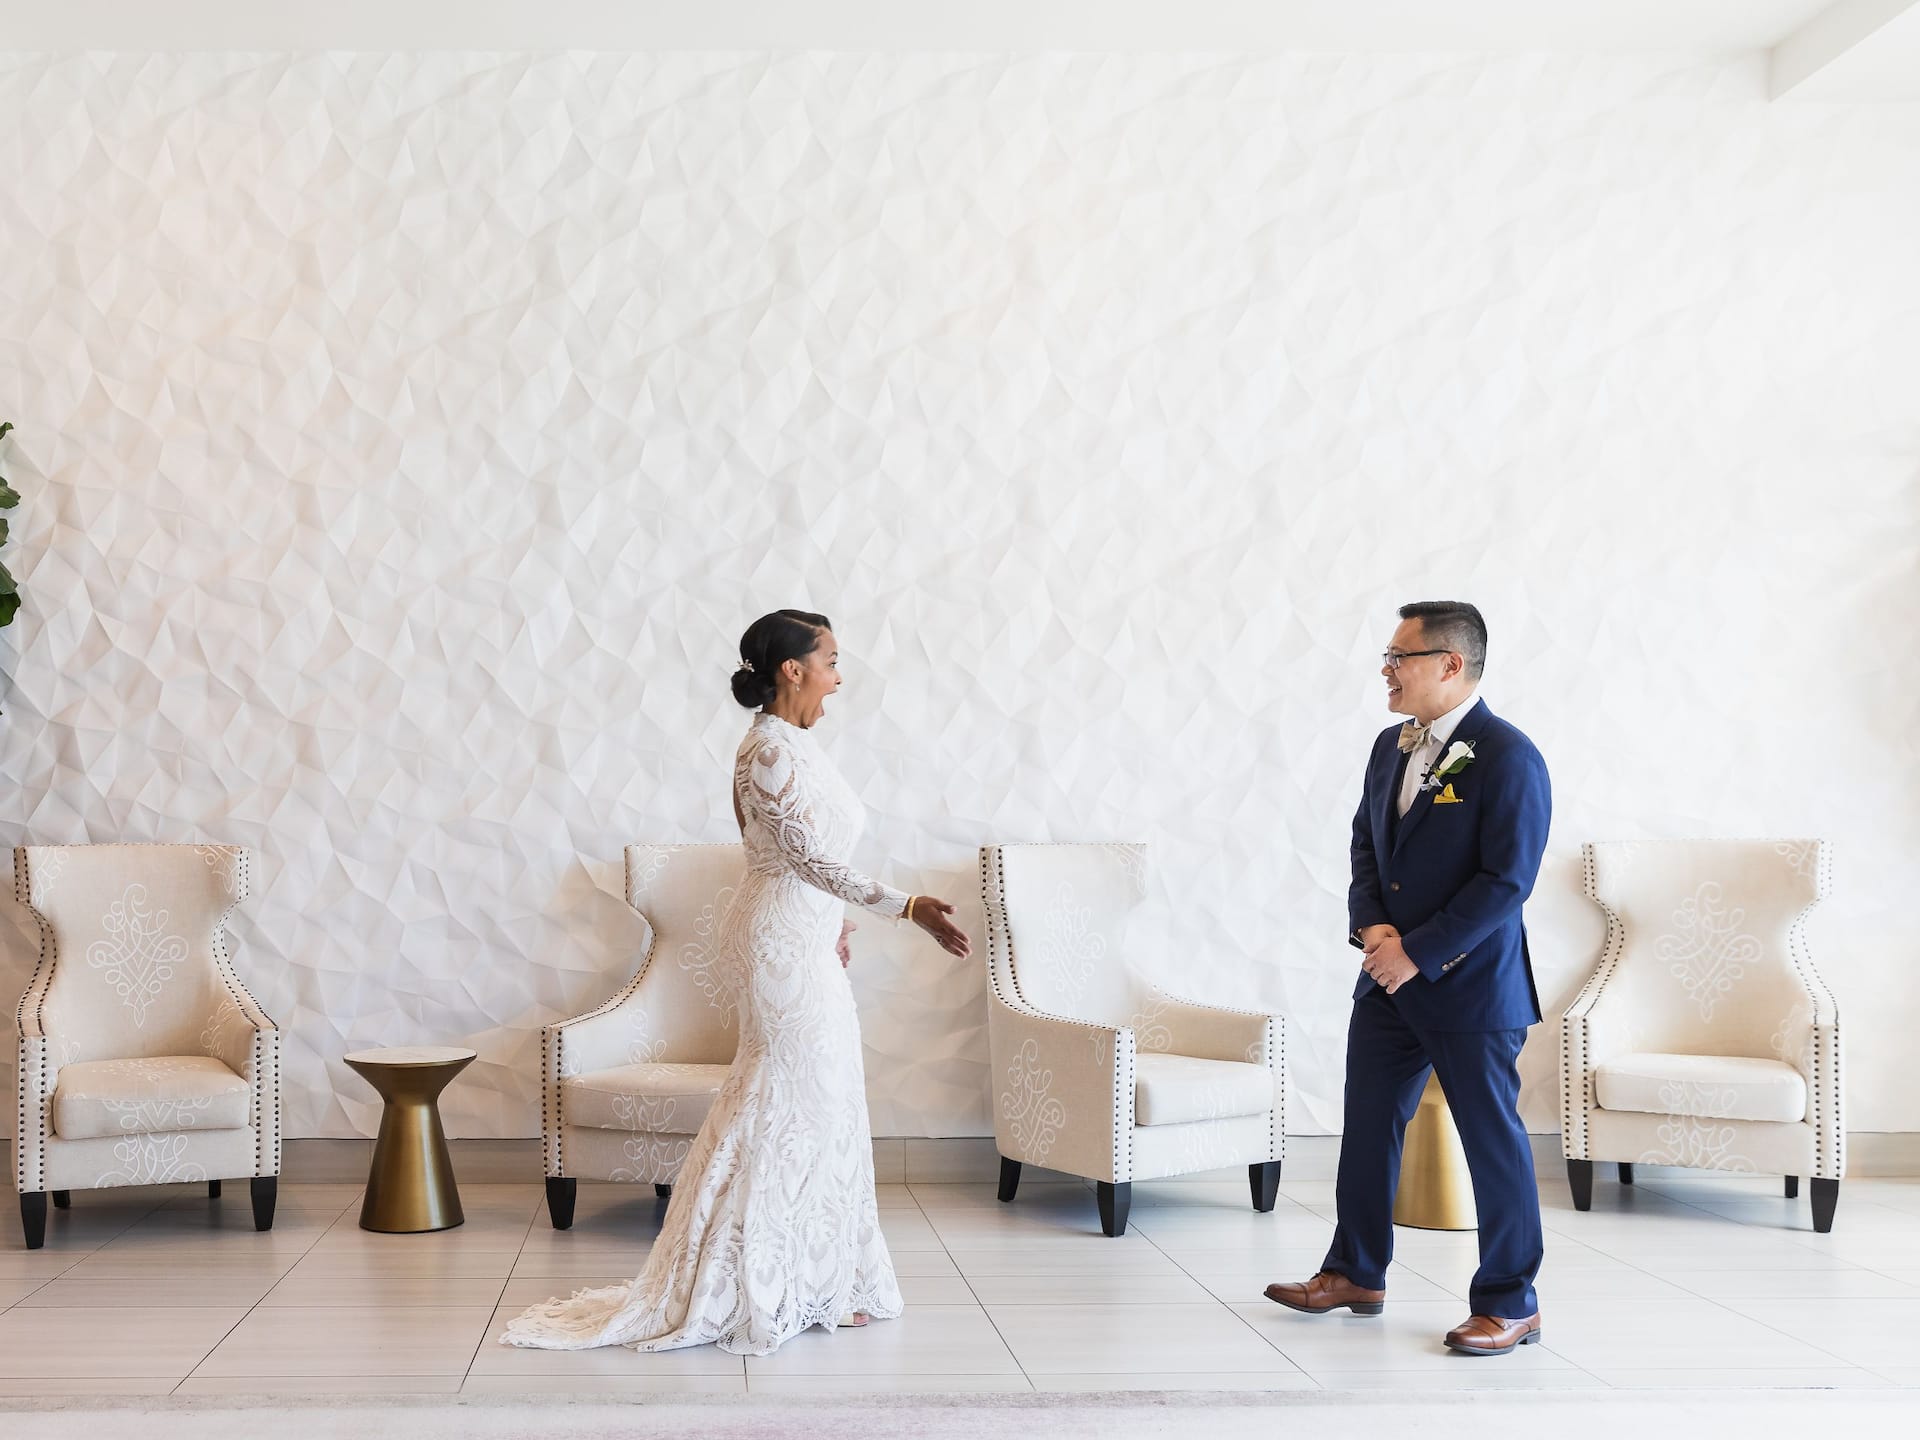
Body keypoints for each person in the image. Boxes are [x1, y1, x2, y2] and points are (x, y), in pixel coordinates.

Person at [502, 609, 971, 1357]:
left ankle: (818, 1276)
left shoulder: (800, 747)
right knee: (788, 1098)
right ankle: (758, 1280)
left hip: (804, 938)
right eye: (832, 661)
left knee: (824, 1098)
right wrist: (905, 907)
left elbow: (796, 861)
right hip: (778, 948)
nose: (839, 677)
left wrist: (835, 923)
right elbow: (807, 858)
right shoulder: (767, 752)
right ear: (793, 669)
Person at [1265, 601, 1551, 1356]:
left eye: (1400, 656)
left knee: (1491, 1142)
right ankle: (1355, 1270)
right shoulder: (1390, 746)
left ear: (1451, 664)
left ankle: (1510, 1300)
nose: (1386, 670)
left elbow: (1506, 882)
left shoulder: (1508, 755)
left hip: (1471, 987)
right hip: (1386, 980)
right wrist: (1373, 930)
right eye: (1386, 656)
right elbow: (1366, 845)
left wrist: (1418, 950)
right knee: (1367, 1129)